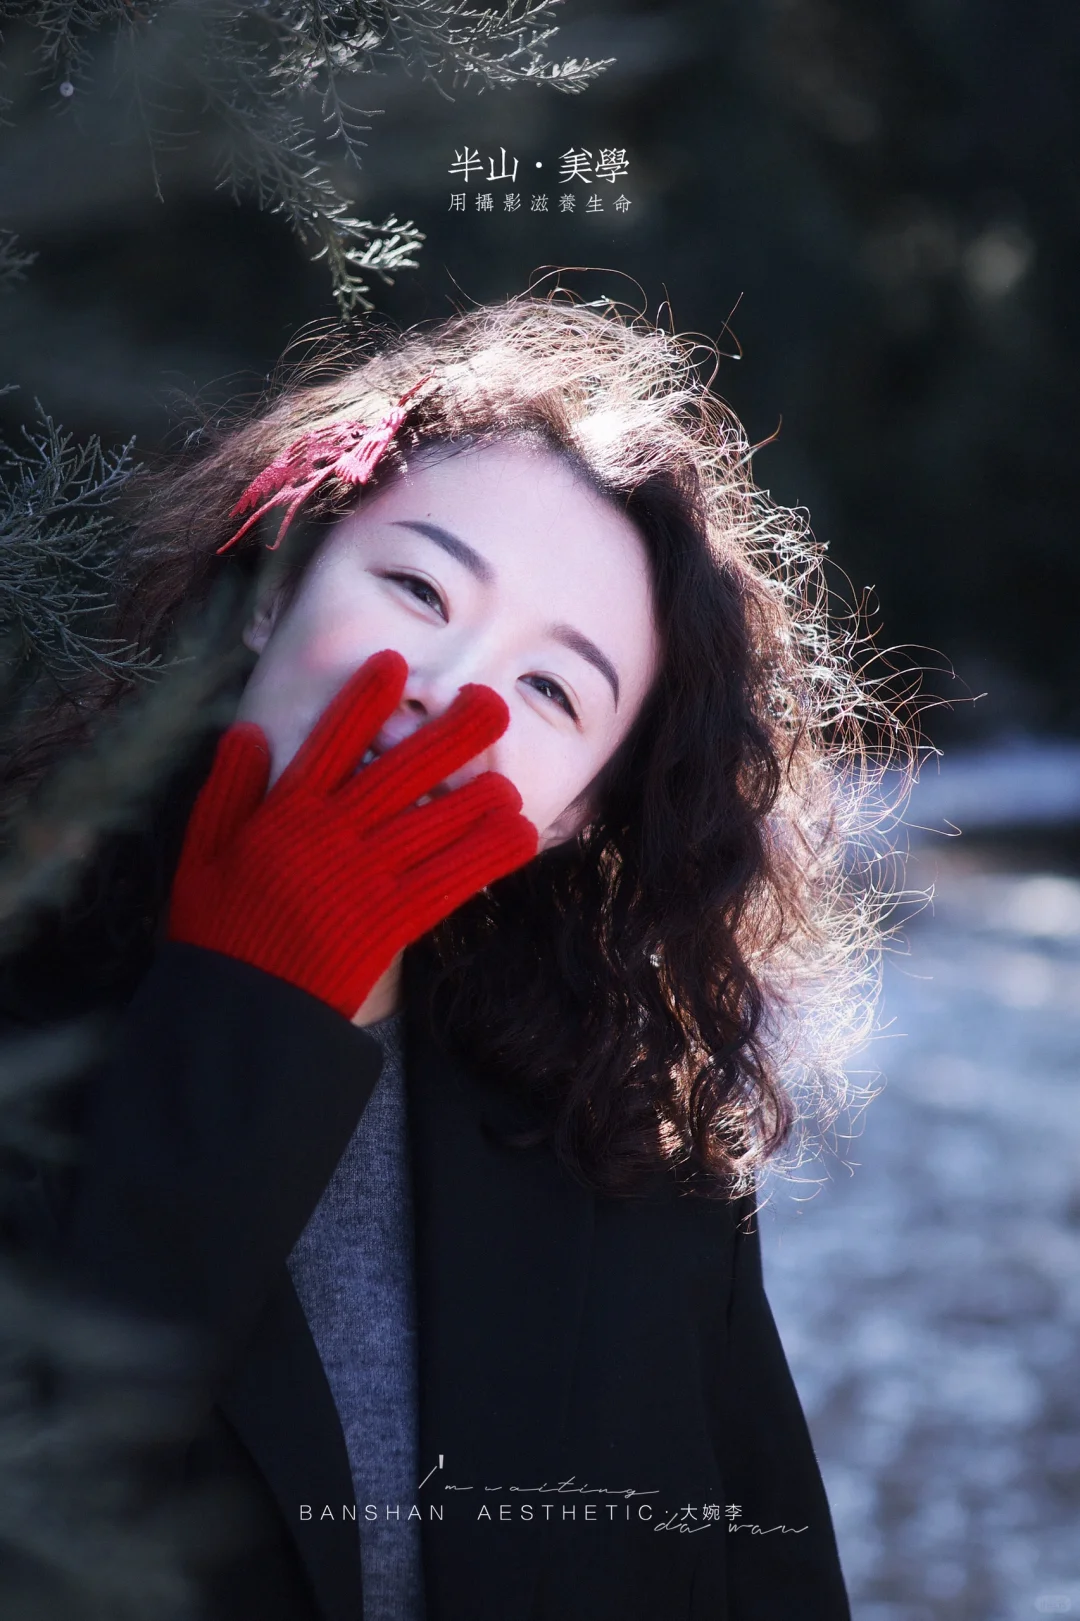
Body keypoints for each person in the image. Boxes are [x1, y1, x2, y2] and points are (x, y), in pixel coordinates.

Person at [0, 294, 902, 1621]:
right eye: (417, 588)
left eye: (552, 691)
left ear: (577, 808)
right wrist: (250, 1000)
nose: (451, 691)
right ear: (278, 588)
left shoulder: (630, 1144)